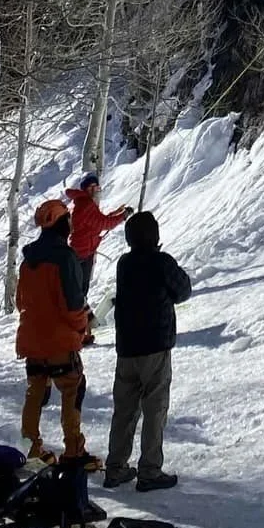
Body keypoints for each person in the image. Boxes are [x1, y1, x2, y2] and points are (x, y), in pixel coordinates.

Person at [105, 210, 191, 492]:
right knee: (154, 409)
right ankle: (150, 470)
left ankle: (116, 468)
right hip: (154, 345)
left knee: (124, 410)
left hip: (127, 347)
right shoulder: (161, 262)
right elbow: (183, 290)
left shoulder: (124, 263)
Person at [16, 199, 93, 467]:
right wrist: (83, 325)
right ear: (62, 223)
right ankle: (73, 451)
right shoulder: (65, 257)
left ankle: (30, 449)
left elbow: (20, 302)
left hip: (31, 341)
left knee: (35, 392)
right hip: (60, 341)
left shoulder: (28, 261)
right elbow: (72, 304)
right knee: (73, 389)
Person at [64, 174, 132, 296]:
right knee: (80, 291)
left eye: (96, 186)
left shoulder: (84, 202)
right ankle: (79, 313)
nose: (95, 189)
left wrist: (117, 213)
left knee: (79, 290)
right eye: (91, 187)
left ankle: (80, 312)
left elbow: (98, 221)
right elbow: (105, 223)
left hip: (82, 252)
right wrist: (123, 215)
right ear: (86, 189)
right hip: (82, 254)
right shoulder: (86, 205)